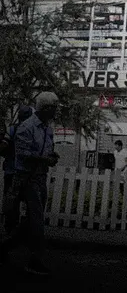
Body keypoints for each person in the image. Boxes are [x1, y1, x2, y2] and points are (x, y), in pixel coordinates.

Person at [0, 92, 59, 275]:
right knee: (37, 220)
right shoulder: (27, 127)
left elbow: (48, 147)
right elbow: (23, 154)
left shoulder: (47, 129)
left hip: (40, 177)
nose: (56, 111)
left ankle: (4, 247)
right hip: (26, 178)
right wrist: (44, 159)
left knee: (31, 220)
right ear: (46, 108)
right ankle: (35, 260)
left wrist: (52, 156)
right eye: (54, 107)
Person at [2, 105, 33, 235]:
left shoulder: (12, 130)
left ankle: (10, 230)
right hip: (26, 173)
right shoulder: (32, 131)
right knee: (29, 203)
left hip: (11, 171)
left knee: (11, 203)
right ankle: (23, 231)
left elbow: (3, 147)